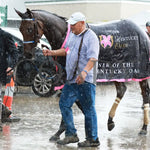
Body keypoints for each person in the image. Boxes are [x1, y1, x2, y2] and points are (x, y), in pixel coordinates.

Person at [43, 12, 100, 147]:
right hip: (72, 79)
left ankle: (93, 139)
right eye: (71, 24)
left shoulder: (91, 37)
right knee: (64, 104)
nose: (71, 27)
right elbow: (66, 50)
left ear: (82, 23)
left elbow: (93, 58)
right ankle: (71, 134)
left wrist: (84, 73)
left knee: (88, 109)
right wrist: (51, 52)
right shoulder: (73, 36)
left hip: (85, 81)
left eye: (73, 25)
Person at [0, 27, 19, 123]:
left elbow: (15, 52)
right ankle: (4, 111)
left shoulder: (5, 36)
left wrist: (11, 66)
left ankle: (3, 113)